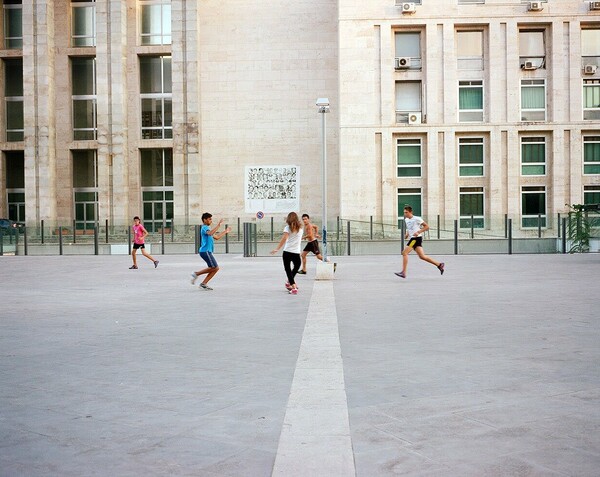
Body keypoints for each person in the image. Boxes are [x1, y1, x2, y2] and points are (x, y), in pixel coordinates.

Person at [395, 206, 444, 279]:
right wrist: (407, 234)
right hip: (413, 238)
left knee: (404, 253)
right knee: (422, 256)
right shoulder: (406, 219)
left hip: (416, 239)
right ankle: (439, 264)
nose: (405, 214)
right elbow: (409, 228)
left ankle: (403, 272)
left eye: (406, 212)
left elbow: (427, 226)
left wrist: (418, 232)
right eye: (404, 212)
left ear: (411, 212)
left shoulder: (417, 219)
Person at [191, 213, 231, 290]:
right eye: (209, 219)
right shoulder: (204, 228)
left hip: (207, 252)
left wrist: (225, 231)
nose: (211, 221)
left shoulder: (208, 229)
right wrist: (218, 225)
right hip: (205, 251)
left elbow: (217, 237)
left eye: (211, 219)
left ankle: (203, 283)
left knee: (215, 268)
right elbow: (210, 233)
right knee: (215, 267)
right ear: (204, 220)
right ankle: (196, 274)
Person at [271, 212, 303, 294]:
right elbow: (285, 238)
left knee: (289, 270)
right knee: (295, 267)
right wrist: (277, 249)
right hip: (294, 252)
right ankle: (293, 286)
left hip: (288, 252)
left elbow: (284, 239)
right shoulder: (300, 229)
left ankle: (290, 282)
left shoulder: (288, 228)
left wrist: (277, 249)